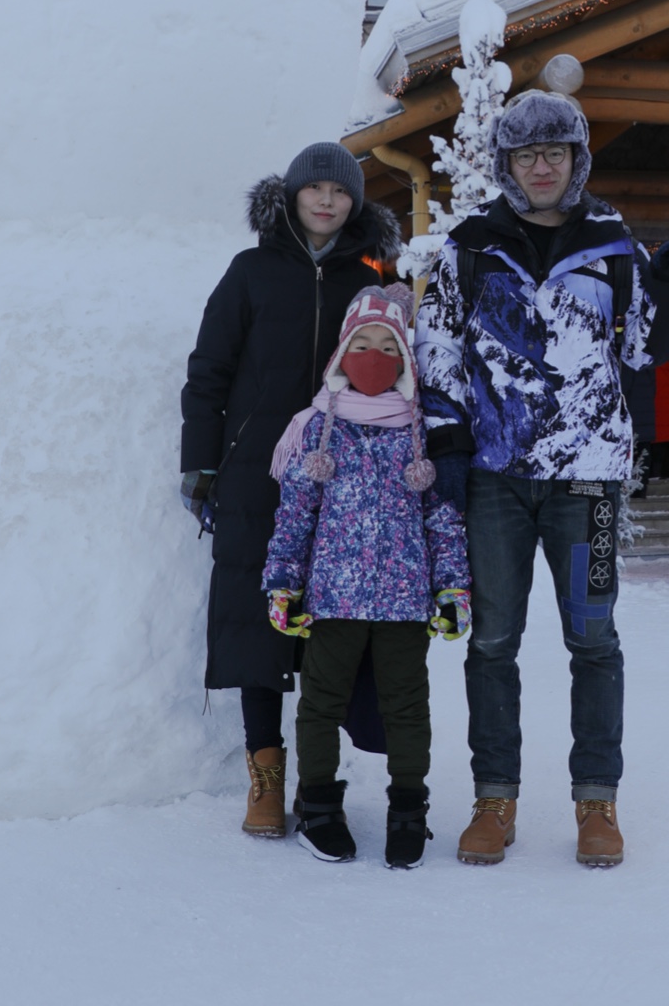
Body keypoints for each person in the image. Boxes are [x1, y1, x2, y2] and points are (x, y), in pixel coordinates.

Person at [414, 87, 669, 870]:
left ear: (576, 159)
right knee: (493, 641)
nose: (540, 167)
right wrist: (447, 444)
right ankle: (493, 799)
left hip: (590, 485)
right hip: (495, 480)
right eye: (524, 154)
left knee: (594, 639)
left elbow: (645, 351)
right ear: (506, 164)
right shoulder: (468, 247)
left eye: (554, 152)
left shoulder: (613, 246)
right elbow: (436, 349)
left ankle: (595, 803)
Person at [180, 143, 400, 839]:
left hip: (343, 474)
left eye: (341, 192)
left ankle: (316, 778)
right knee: (258, 622)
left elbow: (396, 373)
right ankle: (265, 777)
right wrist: (203, 463)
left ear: (355, 202)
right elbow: (209, 370)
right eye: (317, 189)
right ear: (293, 196)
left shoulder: (370, 279)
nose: (328, 201)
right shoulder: (249, 273)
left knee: (329, 630)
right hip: (256, 473)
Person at [264, 282, 469, 869]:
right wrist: (282, 581)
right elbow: (295, 515)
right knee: (321, 704)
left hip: (406, 602)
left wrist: (452, 587)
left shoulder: (420, 429)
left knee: (408, 707)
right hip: (333, 598)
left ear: (406, 358)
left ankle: (409, 811)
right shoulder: (316, 428)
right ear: (341, 354)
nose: (374, 357)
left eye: (388, 346)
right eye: (363, 344)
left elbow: (443, 519)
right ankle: (321, 810)